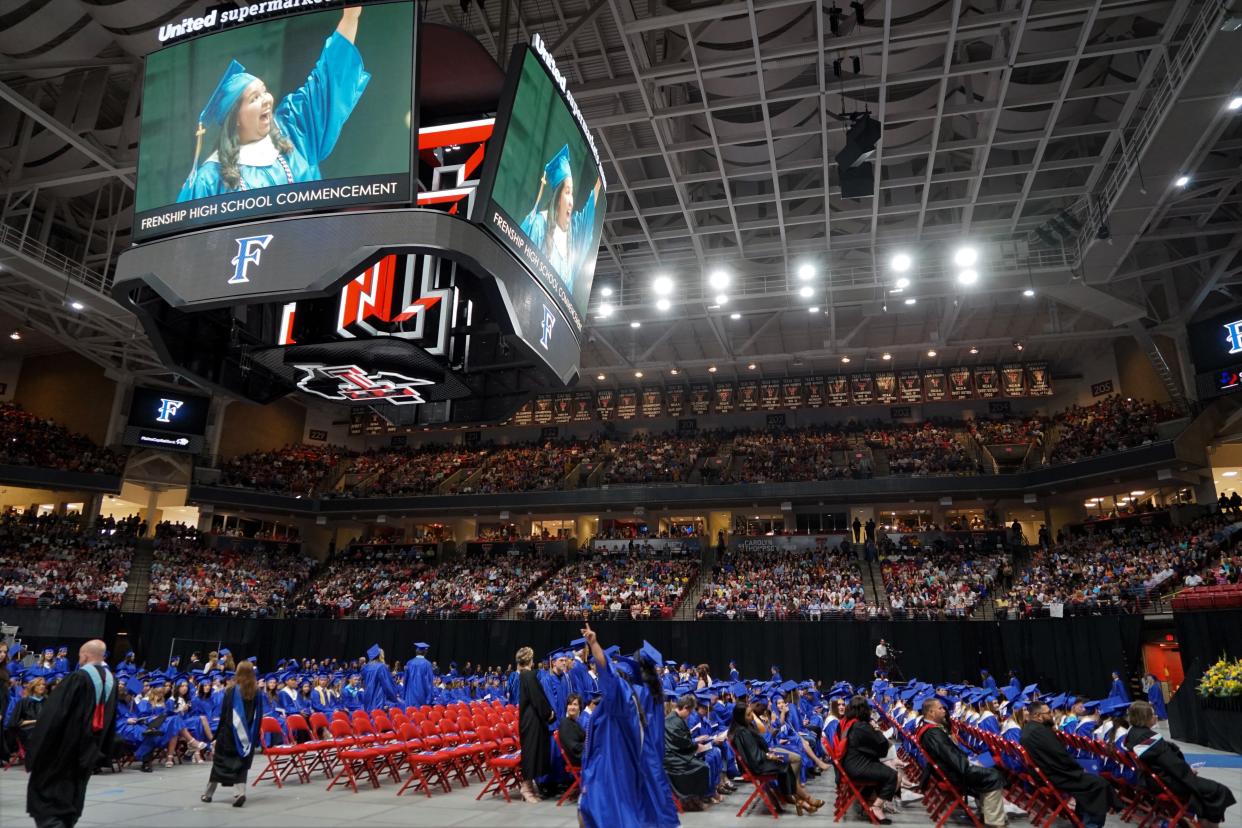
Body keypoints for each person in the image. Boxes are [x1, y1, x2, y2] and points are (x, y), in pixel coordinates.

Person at [177, 7, 371, 202]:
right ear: (235, 118)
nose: (267, 100)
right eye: (255, 98)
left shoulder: (293, 131)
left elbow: (327, 80)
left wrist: (350, 16)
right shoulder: (209, 180)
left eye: (264, 91)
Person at [25, 639, 117, 828]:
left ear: (84, 656)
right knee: (71, 802)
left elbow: (53, 717)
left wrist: (35, 752)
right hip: (87, 753)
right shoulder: (112, 682)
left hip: (60, 753)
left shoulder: (78, 678)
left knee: (49, 804)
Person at [1124, 700, 1235, 828]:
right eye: (1152, 714)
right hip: (1168, 782)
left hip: (1152, 780)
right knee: (1217, 790)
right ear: (1144, 718)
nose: (1155, 717)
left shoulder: (1132, 734)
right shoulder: (1149, 739)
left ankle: (1201, 821)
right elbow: (1172, 764)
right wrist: (1188, 771)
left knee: (1205, 793)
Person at [519, 144, 602, 295]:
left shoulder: (571, 236)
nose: (571, 201)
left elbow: (587, 214)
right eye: (567, 192)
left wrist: (601, 176)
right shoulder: (539, 225)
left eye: (572, 194)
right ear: (557, 198)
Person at [1019, 700, 1116, 828]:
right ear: (1038, 716)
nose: (1051, 716)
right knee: (1100, 784)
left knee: (1089, 784)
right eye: (1048, 713)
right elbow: (1060, 756)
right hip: (1055, 776)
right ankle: (1091, 825)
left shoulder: (1030, 728)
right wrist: (1079, 770)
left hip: (1045, 774)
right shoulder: (1040, 732)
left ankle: (1081, 820)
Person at [916, 697, 1007, 828]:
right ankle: (994, 823)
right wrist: (970, 765)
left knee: (988, 770)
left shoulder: (928, 728)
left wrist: (970, 761)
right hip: (954, 774)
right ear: (931, 712)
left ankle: (985, 812)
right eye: (940, 708)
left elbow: (950, 754)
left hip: (946, 772)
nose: (944, 711)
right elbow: (952, 758)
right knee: (993, 775)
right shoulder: (933, 733)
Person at [728, 701, 822, 815]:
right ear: (740, 717)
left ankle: (803, 801)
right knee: (785, 766)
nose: (751, 716)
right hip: (757, 765)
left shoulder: (745, 727)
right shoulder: (742, 732)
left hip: (760, 759)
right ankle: (805, 800)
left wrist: (767, 752)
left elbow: (755, 749)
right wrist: (768, 755)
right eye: (748, 714)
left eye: (751, 713)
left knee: (787, 764)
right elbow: (753, 755)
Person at [201, 661, 265, 808]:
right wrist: (254, 738)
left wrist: (216, 736)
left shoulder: (231, 691)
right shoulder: (257, 692)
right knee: (240, 765)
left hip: (228, 735)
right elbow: (259, 716)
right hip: (246, 736)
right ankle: (240, 793)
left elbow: (224, 715)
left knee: (219, 764)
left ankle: (208, 794)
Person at [840, 695, 898, 823]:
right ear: (864, 710)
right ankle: (876, 807)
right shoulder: (861, 727)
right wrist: (877, 729)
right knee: (892, 775)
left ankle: (871, 802)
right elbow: (882, 745)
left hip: (850, 763)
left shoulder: (849, 722)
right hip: (857, 767)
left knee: (884, 767)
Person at [664, 694, 716, 808]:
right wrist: (696, 746)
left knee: (703, 764)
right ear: (685, 707)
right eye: (690, 711)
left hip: (677, 753)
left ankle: (693, 799)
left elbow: (681, 741)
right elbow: (682, 743)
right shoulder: (674, 720)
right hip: (672, 758)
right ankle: (690, 800)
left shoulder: (676, 719)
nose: (689, 715)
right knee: (702, 767)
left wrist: (695, 745)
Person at [515, 645, 551, 804]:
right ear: (530, 659)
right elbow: (537, 698)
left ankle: (531, 786)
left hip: (530, 719)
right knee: (530, 753)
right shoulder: (528, 676)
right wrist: (549, 713)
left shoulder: (523, 675)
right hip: (532, 720)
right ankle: (526, 787)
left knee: (534, 751)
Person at [7, 676, 48, 768]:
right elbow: (14, 722)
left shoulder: (47, 701)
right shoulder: (23, 702)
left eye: (44, 684)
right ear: (33, 687)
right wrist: (35, 721)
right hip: (27, 730)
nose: (42, 686)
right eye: (39, 685)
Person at [359, 644, 400, 710]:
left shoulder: (365, 667)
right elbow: (387, 686)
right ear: (380, 656)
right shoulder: (381, 667)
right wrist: (394, 697)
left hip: (367, 697)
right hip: (378, 698)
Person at [557, 692, 585, 768]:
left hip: (582, 753)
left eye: (575, 704)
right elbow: (574, 747)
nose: (572, 707)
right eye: (570, 704)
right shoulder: (565, 723)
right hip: (577, 757)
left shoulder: (575, 723)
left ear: (580, 707)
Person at [402, 642, 433, 708]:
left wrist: (404, 695)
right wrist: (429, 699)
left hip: (409, 696)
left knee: (409, 715)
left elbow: (405, 680)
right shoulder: (427, 664)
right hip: (422, 696)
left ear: (416, 651)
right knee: (419, 716)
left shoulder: (409, 663)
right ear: (425, 652)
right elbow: (429, 683)